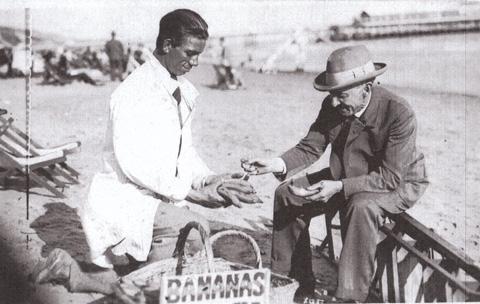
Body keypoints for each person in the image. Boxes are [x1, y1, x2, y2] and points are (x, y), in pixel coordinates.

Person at [32, 9, 257, 295]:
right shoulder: (134, 92)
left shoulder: (180, 90)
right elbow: (134, 165)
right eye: (190, 53)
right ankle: (98, 280)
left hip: (152, 199)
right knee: (191, 231)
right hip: (122, 199)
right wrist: (193, 194)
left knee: (176, 259)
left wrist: (211, 179)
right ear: (166, 45)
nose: (196, 62)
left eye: (199, 54)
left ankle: (74, 271)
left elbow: (184, 153)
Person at [242, 45, 429, 302]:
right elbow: (311, 146)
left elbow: (389, 178)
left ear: (367, 87)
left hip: (397, 182)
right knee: (287, 194)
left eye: (341, 95)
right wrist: (275, 164)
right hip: (347, 174)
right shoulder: (334, 106)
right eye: (331, 94)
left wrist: (339, 186)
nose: (333, 102)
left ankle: (350, 296)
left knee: (361, 205)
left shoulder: (398, 112)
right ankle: (292, 282)